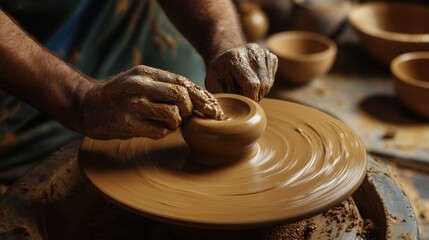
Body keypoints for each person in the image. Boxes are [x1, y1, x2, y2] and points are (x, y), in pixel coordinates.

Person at [0, 0, 278, 183]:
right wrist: (77, 99)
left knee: (186, 103)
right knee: (46, 191)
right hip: (17, 76)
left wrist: (221, 40)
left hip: (120, 16)